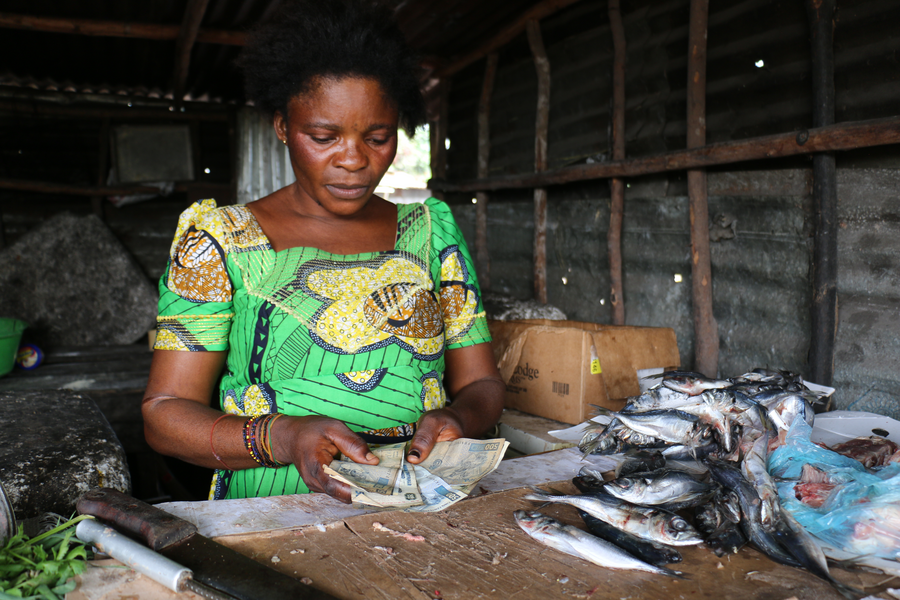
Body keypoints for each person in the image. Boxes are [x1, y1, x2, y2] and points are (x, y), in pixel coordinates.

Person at [142, 0, 505, 503]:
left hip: (422, 500)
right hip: (273, 508)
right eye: (323, 136)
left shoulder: (431, 231)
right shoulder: (219, 241)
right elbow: (165, 414)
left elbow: (483, 382)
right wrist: (283, 437)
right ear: (282, 127)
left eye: (377, 137)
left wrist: (460, 417)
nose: (354, 160)